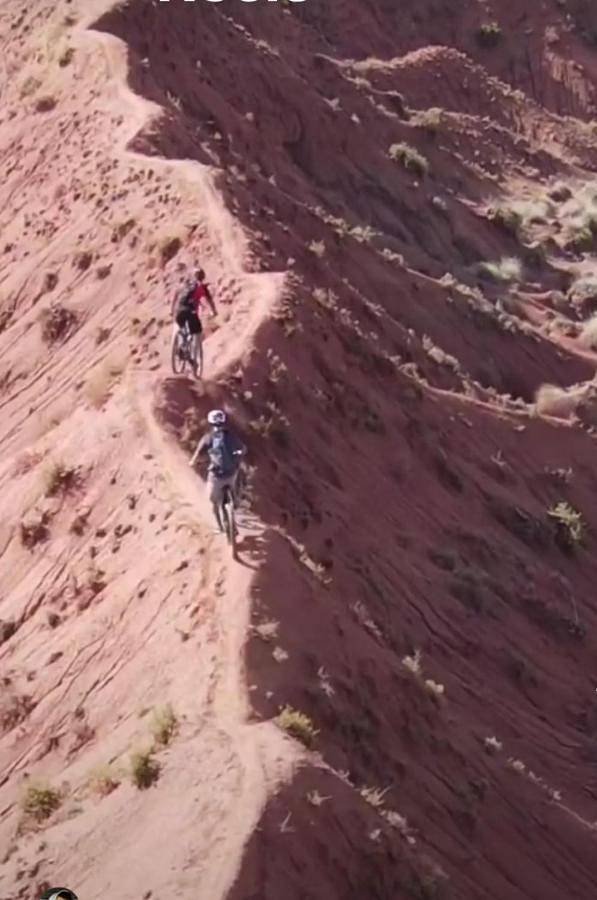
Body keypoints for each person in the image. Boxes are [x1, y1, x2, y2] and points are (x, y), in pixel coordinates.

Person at [189, 409, 245, 532]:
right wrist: (239, 455)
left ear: (210, 422)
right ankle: (234, 500)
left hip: (216, 475)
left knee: (213, 502)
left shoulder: (208, 438)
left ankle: (220, 528)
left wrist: (192, 462)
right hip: (231, 473)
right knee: (234, 481)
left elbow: (198, 452)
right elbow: (242, 448)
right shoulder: (230, 436)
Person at [172, 267, 217, 373]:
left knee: (181, 328)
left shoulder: (184, 284)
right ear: (203, 277)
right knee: (197, 332)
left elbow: (175, 296)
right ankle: (193, 360)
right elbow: (209, 301)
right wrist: (213, 311)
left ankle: (181, 346)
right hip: (191, 312)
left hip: (179, 311)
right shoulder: (200, 286)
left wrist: (172, 310)